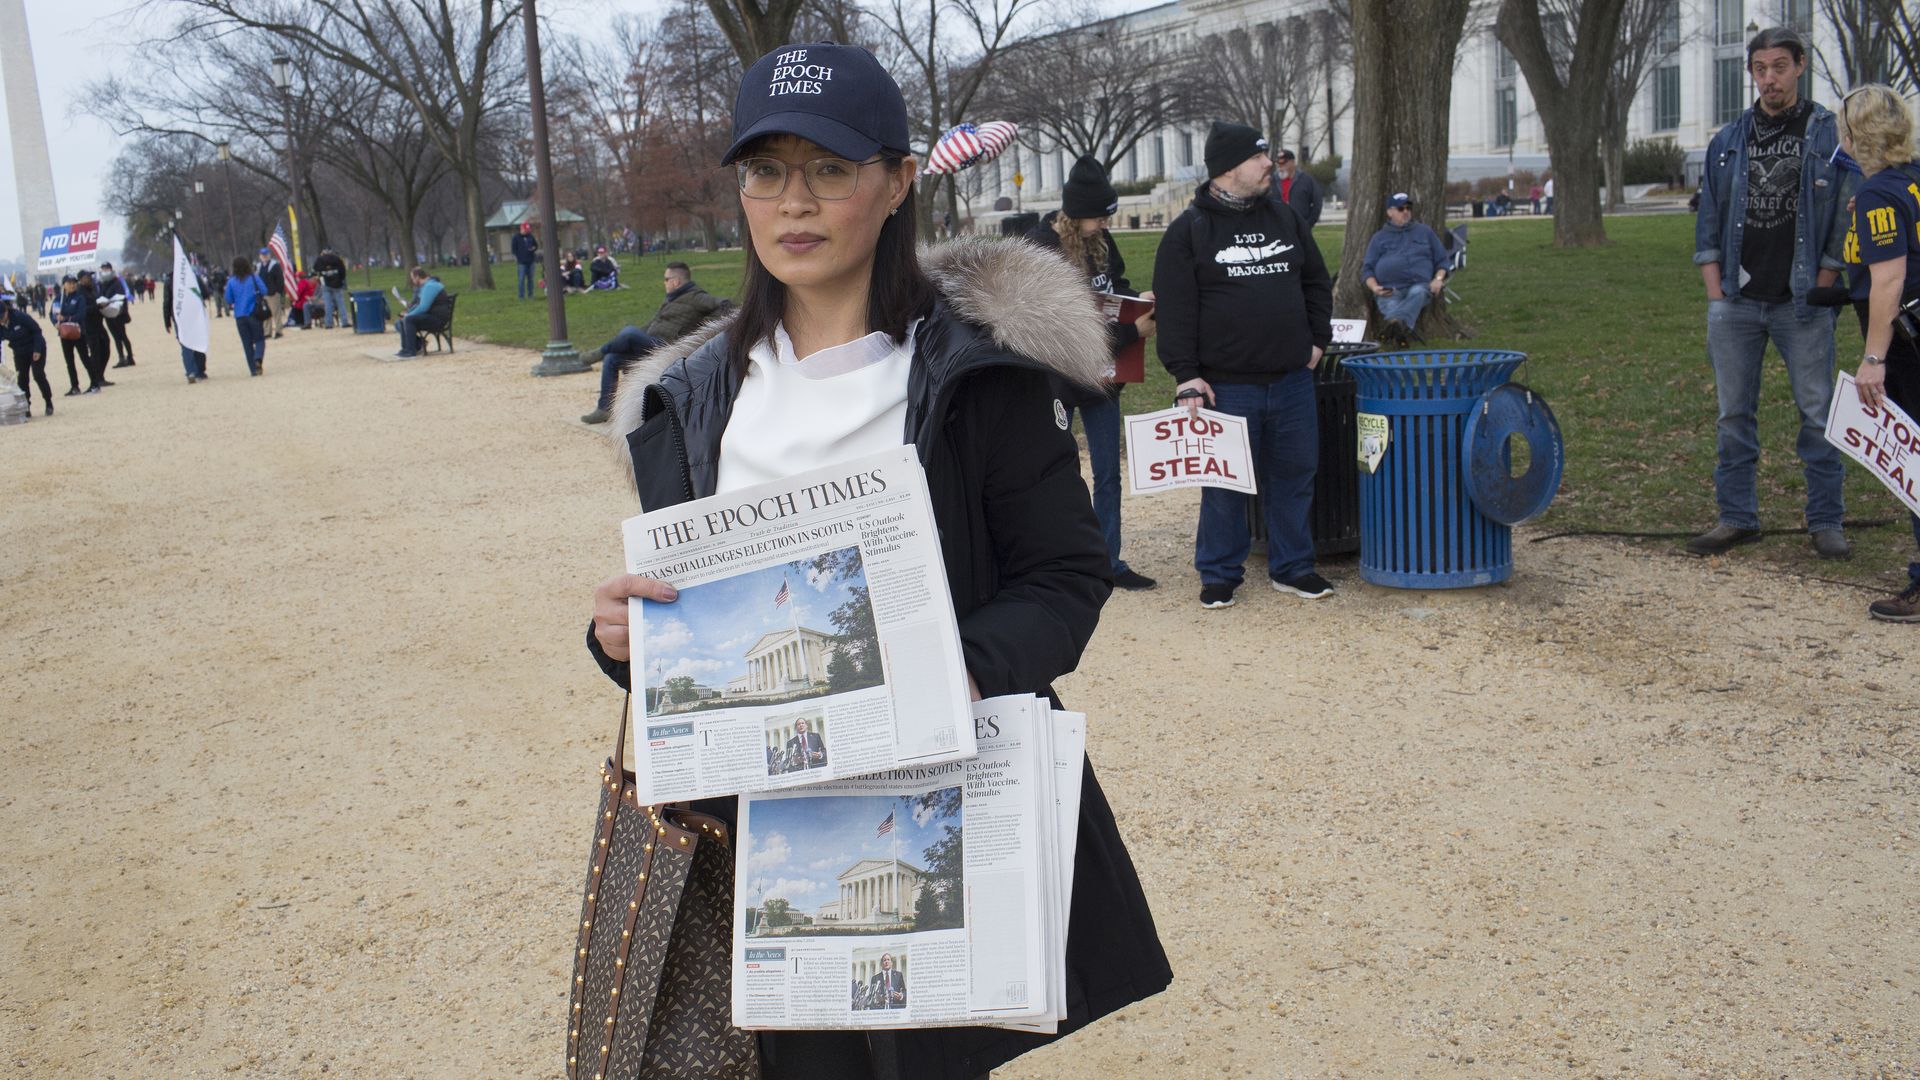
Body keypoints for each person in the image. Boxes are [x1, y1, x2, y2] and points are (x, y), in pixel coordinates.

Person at [586, 41, 1169, 1080]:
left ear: (898, 183)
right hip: (763, 845)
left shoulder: (974, 378)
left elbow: (1065, 580)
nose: (793, 202)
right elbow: (700, 638)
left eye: (830, 169)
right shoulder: (694, 398)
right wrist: (626, 640)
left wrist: (954, 674)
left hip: (930, 811)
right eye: (766, 171)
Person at [1153, 119, 1335, 609]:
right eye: (1258, 157)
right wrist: (1186, 375)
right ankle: (1219, 572)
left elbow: (1316, 282)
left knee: (1295, 474)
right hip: (1226, 386)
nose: (1267, 165)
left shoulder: (1285, 218)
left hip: (1293, 380)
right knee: (1225, 483)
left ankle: (1293, 567)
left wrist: (1317, 341)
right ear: (1229, 169)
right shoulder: (1189, 232)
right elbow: (1175, 310)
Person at [1690, 26, 1853, 560]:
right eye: (1760, 69)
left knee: (1818, 413)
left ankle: (1826, 520)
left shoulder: (1829, 134)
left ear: (1800, 66)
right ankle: (1737, 516)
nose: (1769, 79)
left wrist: (1824, 283)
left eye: (1779, 67)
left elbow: (1842, 220)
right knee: (1733, 415)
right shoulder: (1729, 139)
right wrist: (1717, 294)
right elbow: (1709, 218)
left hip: (1802, 302)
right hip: (1737, 303)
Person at [1025, 154, 1158, 591]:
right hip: (1059, 378)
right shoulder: (1042, 247)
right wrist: (1128, 333)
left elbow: (1114, 288)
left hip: (1104, 377)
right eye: (1099, 215)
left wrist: (1138, 300)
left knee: (1108, 471)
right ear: (1076, 211)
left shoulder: (1102, 242)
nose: (1104, 223)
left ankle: (1109, 561)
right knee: (1053, 472)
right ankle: (1056, 563)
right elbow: (1055, 321)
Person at [1835, 83, 1920, 620]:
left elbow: (1888, 280)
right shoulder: (1905, 181)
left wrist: (1873, 359)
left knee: (1917, 461)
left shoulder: (1878, 194)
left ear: (1855, 133)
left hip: (1908, 344)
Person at [580, 261, 728, 424]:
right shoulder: (671, 299)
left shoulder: (696, 297)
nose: (664, 283)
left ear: (676, 281)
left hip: (665, 347)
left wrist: (702, 327)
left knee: (629, 332)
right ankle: (603, 409)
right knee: (612, 358)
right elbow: (651, 325)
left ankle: (597, 353)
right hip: (650, 342)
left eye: (666, 279)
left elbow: (725, 305)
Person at [1361, 192, 1451, 347]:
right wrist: (1375, 288)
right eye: (1401, 208)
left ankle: (1392, 329)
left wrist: (1438, 280)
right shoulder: (1379, 238)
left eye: (1408, 208)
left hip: (1419, 285)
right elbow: (1367, 269)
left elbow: (1443, 260)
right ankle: (1400, 331)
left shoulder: (1425, 232)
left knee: (1418, 293)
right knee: (1390, 305)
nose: (1406, 211)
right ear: (1390, 212)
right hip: (1389, 290)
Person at [2, 295, 52, 417]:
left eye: (1, 317)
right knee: (22, 380)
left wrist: (37, 350)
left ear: (6, 311)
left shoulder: (20, 317)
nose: (1, 321)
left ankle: (48, 402)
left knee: (38, 375)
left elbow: (37, 331)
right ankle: (26, 407)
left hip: (35, 348)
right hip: (19, 352)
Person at [223, 256, 269, 376]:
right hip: (254, 313)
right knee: (259, 339)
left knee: (247, 343)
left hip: (240, 315)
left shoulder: (231, 281)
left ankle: (253, 369)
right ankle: (258, 358)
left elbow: (228, 299)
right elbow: (264, 290)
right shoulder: (254, 277)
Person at [163, 269, 210, 383]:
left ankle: (190, 371)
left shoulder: (169, 280)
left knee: (185, 345)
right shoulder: (193, 277)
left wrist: (167, 321)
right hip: (195, 315)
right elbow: (205, 293)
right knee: (198, 342)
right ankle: (200, 371)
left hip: (179, 317)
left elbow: (167, 302)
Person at [394, 266, 451, 359]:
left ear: (417, 277)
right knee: (403, 320)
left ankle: (411, 351)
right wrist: (408, 313)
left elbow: (423, 307)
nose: (412, 281)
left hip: (438, 319)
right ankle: (406, 349)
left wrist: (408, 315)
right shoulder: (428, 285)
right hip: (432, 316)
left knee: (408, 319)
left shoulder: (430, 286)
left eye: (412, 278)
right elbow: (419, 305)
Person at [73, 270, 113, 392]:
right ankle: (96, 378)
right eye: (87, 277)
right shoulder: (80, 292)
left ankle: (100, 375)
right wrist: (98, 307)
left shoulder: (92, 289)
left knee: (105, 349)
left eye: (90, 276)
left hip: (99, 324)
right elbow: (83, 310)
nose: (90, 278)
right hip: (89, 327)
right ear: (80, 279)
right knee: (95, 353)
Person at [53, 276, 88, 396]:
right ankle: (74, 386)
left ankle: (94, 382)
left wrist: (67, 318)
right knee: (69, 361)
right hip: (64, 334)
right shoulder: (59, 298)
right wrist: (55, 322)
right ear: (64, 285)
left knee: (85, 358)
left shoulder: (80, 298)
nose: (72, 285)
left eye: (74, 283)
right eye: (69, 283)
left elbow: (81, 315)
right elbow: (53, 313)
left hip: (78, 333)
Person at [97, 262, 136, 367]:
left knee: (123, 335)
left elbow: (122, 297)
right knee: (115, 337)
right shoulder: (101, 283)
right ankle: (121, 357)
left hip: (118, 313)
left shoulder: (117, 282)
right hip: (107, 314)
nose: (105, 271)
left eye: (107, 269)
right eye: (103, 269)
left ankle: (130, 357)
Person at [1273, 147, 1322, 227]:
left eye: (1283, 163)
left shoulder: (1306, 179)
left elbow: (1317, 201)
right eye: (1278, 163)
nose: (1280, 166)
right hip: (1277, 227)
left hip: (1300, 226)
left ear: (1292, 162)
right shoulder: (1271, 181)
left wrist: (1309, 223)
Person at [312, 247, 349, 328]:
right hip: (337, 284)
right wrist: (340, 279)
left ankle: (329, 323)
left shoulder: (320, 259)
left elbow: (315, 268)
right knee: (341, 303)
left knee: (328, 304)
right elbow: (343, 271)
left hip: (325, 284)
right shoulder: (337, 259)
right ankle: (344, 322)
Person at [258, 246, 288, 339]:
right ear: (260, 256)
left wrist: (278, 291)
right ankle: (267, 332)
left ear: (269, 255)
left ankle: (279, 331)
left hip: (273, 293)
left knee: (276, 313)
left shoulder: (275, 265)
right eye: (263, 255)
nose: (264, 256)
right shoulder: (259, 267)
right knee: (265, 314)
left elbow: (280, 280)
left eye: (266, 254)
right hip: (263, 294)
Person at [511, 221, 539, 300]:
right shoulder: (516, 237)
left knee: (530, 279)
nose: (527, 231)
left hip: (531, 261)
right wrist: (518, 257)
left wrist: (533, 248)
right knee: (521, 279)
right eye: (525, 229)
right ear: (521, 228)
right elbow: (514, 249)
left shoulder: (530, 236)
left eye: (528, 230)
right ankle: (521, 296)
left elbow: (536, 245)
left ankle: (530, 295)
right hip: (521, 262)